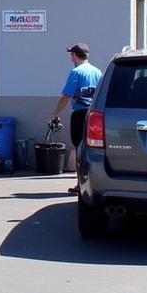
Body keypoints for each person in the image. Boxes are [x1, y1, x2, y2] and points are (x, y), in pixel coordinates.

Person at [50, 42, 102, 192]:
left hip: (79, 113)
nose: (70, 58)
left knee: (79, 148)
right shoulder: (97, 72)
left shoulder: (77, 72)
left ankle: (80, 184)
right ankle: (90, 183)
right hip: (93, 114)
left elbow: (66, 96)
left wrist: (55, 113)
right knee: (90, 148)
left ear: (74, 55)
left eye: (71, 54)